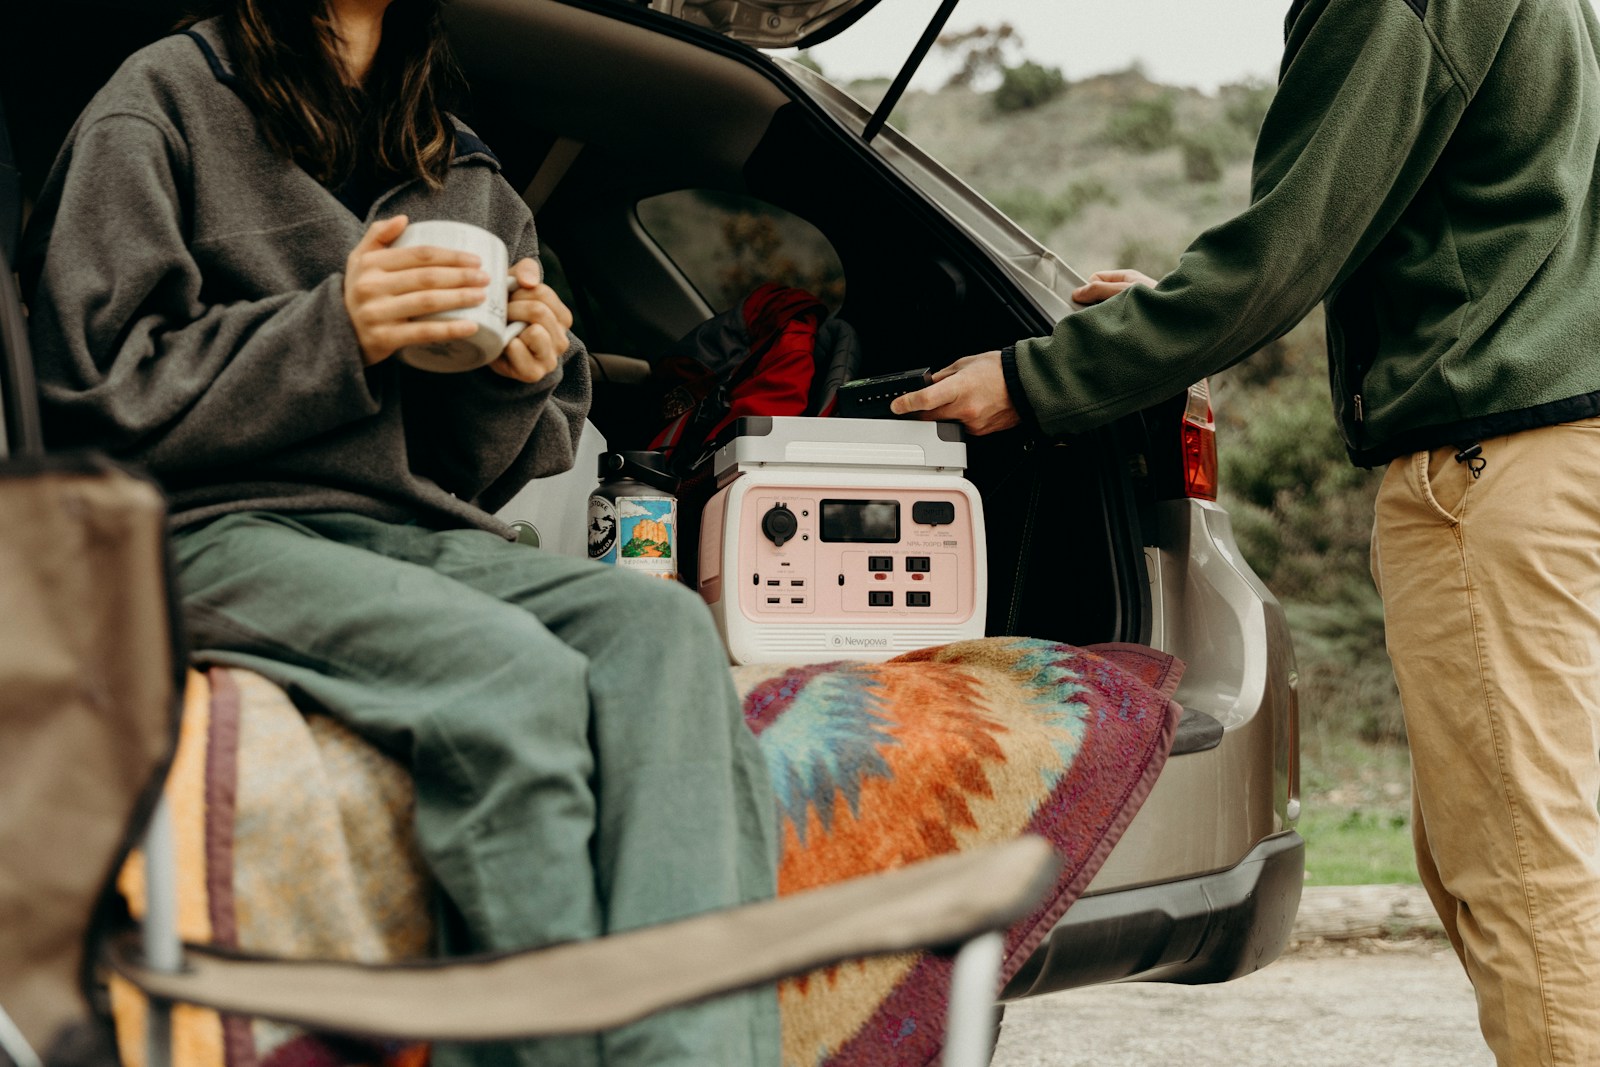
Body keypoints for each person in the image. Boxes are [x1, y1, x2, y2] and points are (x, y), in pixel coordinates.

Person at [19, 2, 779, 1065]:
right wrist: (338, 325)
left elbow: (477, 472)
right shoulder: (160, 103)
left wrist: (519, 378)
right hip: (192, 525)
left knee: (659, 629)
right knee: (509, 676)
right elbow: (91, 399)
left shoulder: (467, 175)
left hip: (404, 526)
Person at [893, 0, 1600, 1063]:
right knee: (1532, 850)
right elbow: (1452, 238)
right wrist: (1178, 309)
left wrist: (1039, 378)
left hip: (1495, 469)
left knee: (1525, 870)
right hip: (1563, 451)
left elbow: (1292, 239)